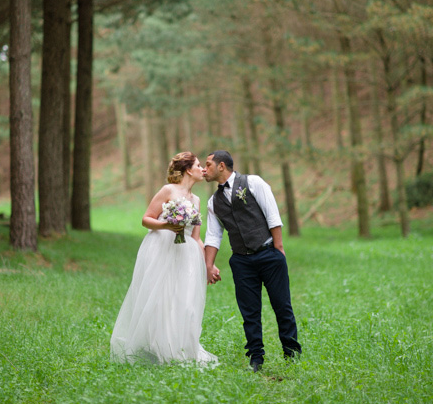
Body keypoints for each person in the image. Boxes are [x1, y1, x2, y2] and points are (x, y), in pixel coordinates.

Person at [110, 152, 218, 365]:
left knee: (184, 301)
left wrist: (209, 264)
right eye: (199, 165)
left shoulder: (196, 200)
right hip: (161, 248)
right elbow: (146, 219)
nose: (203, 169)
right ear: (188, 170)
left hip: (185, 253)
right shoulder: (168, 190)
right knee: (160, 298)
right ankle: (155, 347)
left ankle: (178, 347)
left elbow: (196, 238)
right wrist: (167, 225)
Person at [203, 150, 301, 372]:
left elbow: (272, 215)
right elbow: (213, 236)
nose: (203, 169)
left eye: (207, 164)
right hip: (240, 261)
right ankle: (256, 358)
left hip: (268, 254)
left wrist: (279, 250)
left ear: (221, 166)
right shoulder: (213, 202)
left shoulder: (253, 182)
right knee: (250, 312)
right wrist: (209, 265)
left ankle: (292, 353)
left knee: (282, 305)